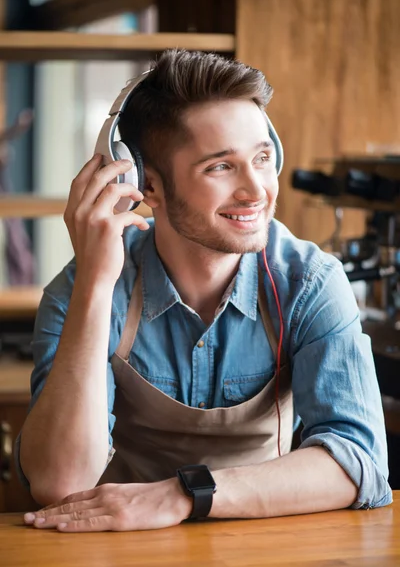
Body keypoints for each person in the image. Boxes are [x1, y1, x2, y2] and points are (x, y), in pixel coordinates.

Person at [18, 49, 391, 533]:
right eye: (220, 167)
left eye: (262, 157)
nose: (256, 190)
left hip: (266, 550)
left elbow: (359, 462)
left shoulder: (310, 281)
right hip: (116, 550)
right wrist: (95, 281)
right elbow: (59, 481)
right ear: (145, 185)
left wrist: (183, 494)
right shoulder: (84, 285)